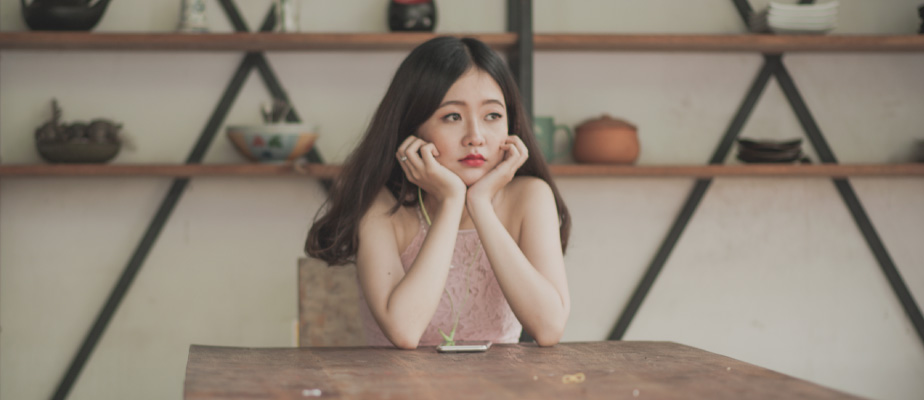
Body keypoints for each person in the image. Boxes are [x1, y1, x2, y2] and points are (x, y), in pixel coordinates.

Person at [305, 36, 571, 349]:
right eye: (452, 117)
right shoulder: (380, 206)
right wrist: (451, 201)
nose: (475, 137)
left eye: (493, 116)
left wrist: (480, 204)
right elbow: (404, 331)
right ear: (412, 130)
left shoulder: (530, 197)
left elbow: (550, 327)